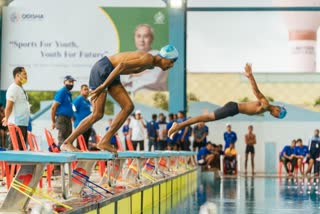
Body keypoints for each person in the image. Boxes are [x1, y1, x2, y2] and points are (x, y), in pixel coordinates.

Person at [60, 44, 178, 154]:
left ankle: (105, 141)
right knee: (97, 114)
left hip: (113, 73)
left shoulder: (151, 65)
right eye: (171, 62)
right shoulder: (148, 59)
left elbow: (122, 68)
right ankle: (67, 142)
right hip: (104, 68)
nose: (171, 65)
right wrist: (102, 86)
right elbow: (122, 65)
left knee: (128, 107)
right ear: (164, 57)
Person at [168, 63, 287, 139]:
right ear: (277, 109)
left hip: (233, 109)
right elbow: (256, 91)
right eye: (278, 115)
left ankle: (179, 126)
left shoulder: (266, 108)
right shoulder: (266, 105)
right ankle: (178, 125)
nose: (276, 117)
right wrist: (250, 76)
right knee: (206, 118)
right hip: (233, 108)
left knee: (206, 118)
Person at [122, 24, 168, 92]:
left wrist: (131, 76)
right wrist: (135, 74)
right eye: (138, 36)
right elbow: (120, 79)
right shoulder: (129, 58)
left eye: (146, 36)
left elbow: (152, 80)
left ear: (151, 38)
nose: (141, 40)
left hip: (150, 97)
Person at [2, 67, 30, 150]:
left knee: (21, 151)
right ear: (17, 75)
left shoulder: (21, 89)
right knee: (15, 151)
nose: (26, 76)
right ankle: (9, 164)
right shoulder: (13, 88)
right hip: (16, 124)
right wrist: (7, 118)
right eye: (24, 74)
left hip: (23, 124)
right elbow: (9, 106)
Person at [51, 75, 76, 146]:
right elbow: (53, 108)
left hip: (68, 118)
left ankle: (67, 154)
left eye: (73, 82)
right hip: (61, 118)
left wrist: (72, 116)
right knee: (62, 138)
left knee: (68, 138)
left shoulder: (69, 94)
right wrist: (53, 121)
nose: (71, 84)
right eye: (70, 82)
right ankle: (61, 155)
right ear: (64, 82)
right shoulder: (62, 92)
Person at [73, 84, 92, 148]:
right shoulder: (79, 99)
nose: (87, 91)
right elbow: (73, 108)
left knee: (85, 144)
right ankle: (78, 156)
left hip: (88, 125)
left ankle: (85, 157)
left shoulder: (88, 101)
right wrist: (74, 119)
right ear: (81, 91)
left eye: (87, 90)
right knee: (80, 144)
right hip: (80, 124)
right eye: (85, 89)